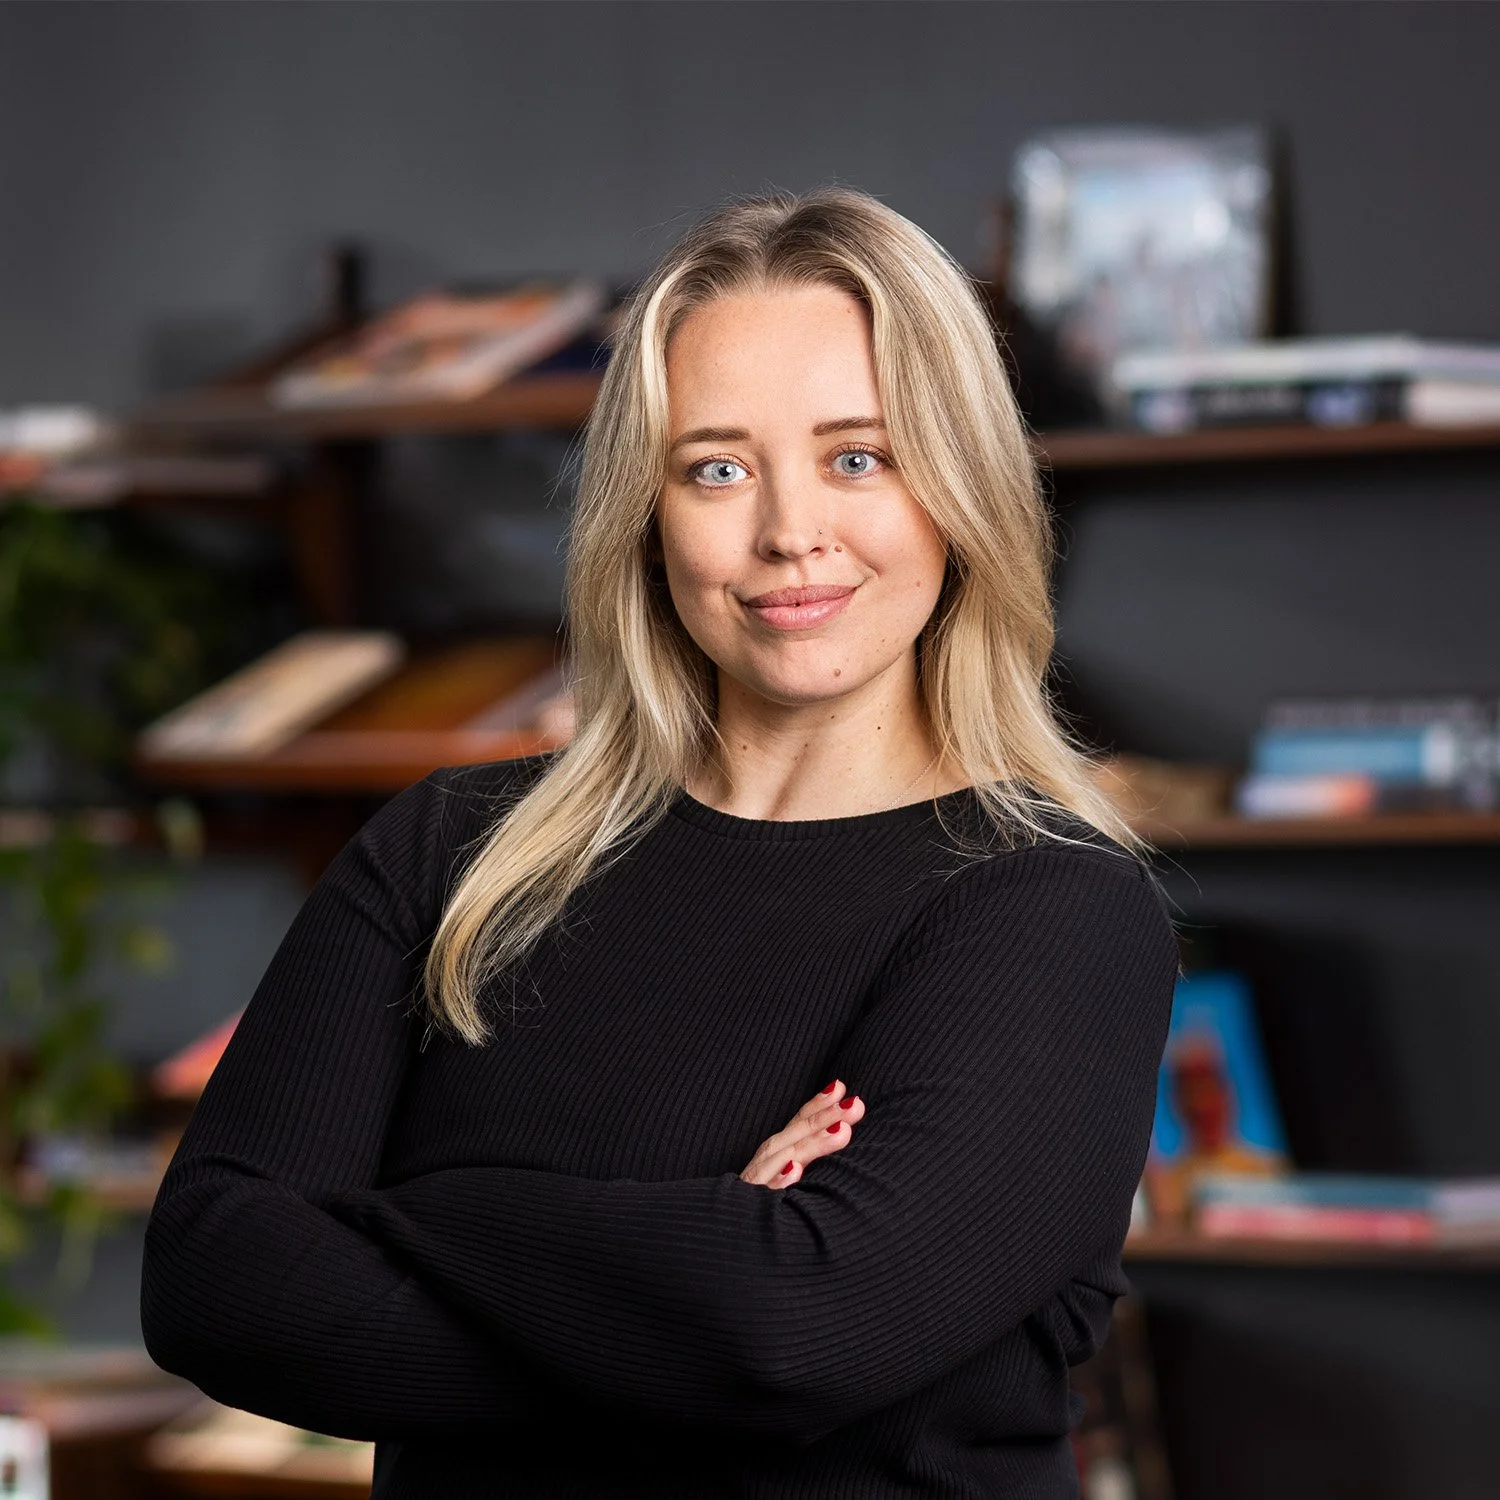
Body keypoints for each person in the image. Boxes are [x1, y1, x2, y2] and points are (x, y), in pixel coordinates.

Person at [140, 184, 1182, 1499]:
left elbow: (784, 1337)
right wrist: (693, 1258)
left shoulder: (1051, 910)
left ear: (958, 488)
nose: (788, 530)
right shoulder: (454, 854)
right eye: (718, 467)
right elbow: (212, 1283)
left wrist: (408, 1211)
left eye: (858, 456)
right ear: (648, 509)